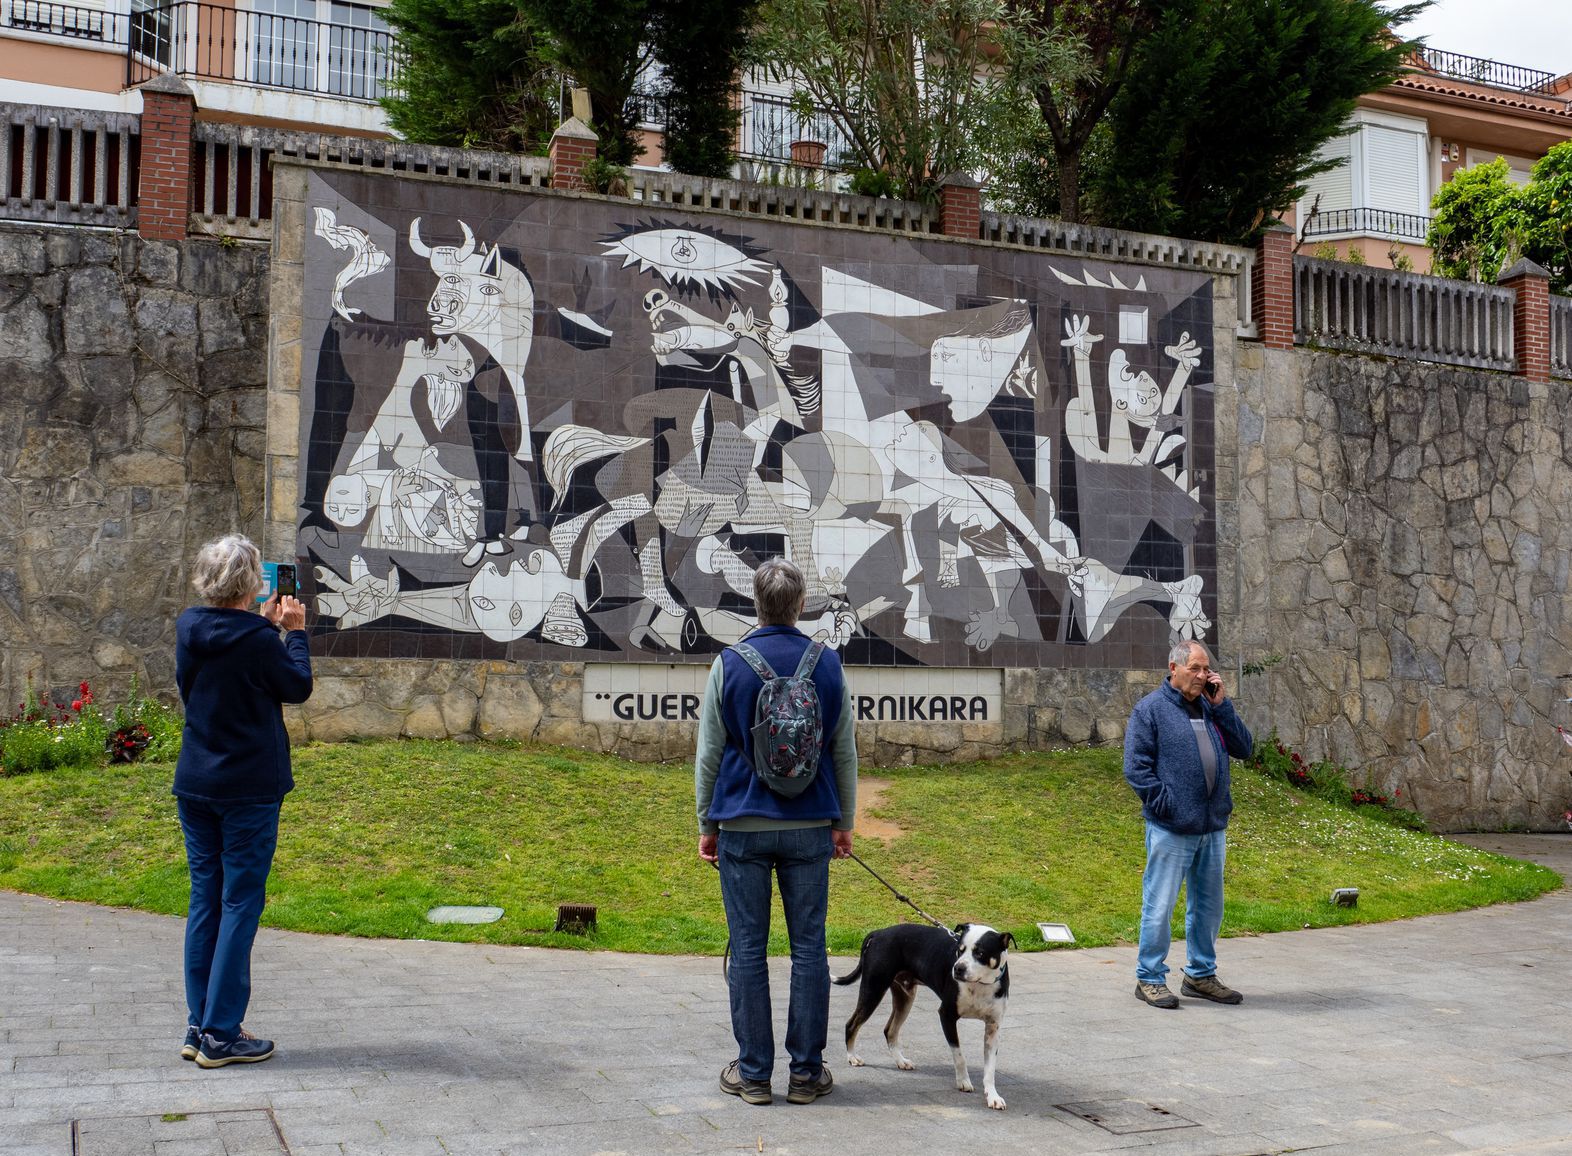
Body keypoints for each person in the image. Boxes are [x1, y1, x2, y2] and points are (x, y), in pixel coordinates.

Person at [695, 558, 858, 1106]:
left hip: (741, 822)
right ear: (802, 603)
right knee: (809, 949)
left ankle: (754, 1074)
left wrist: (707, 823)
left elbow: (709, 753)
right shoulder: (828, 665)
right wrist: (844, 823)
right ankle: (807, 1074)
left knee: (747, 950)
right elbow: (844, 753)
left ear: (755, 602)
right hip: (811, 824)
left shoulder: (729, 663)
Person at [173, 534, 313, 1067]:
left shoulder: (189, 627)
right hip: (249, 786)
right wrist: (293, 633)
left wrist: (269, 628)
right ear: (252, 584)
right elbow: (296, 686)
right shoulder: (260, 640)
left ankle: (198, 1022)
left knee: (206, 897)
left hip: (197, 780)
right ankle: (222, 1033)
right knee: (240, 902)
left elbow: (197, 687)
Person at [1123, 639, 1253, 1010]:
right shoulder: (1151, 710)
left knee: (1209, 907)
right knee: (1160, 905)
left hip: (1211, 826)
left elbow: (1244, 748)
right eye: (1195, 669)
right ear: (1173, 668)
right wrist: (1168, 806)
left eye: (1206, 669)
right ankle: (1149, 978)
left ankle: (1200, 975)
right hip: (1172, 827)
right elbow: (1136, 768)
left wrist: (1223, 705)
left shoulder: (1212, 708)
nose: (1202, 675)